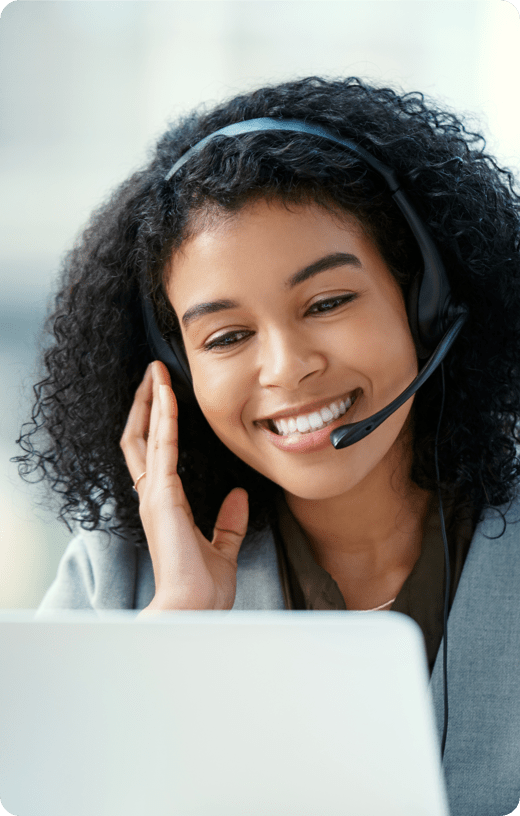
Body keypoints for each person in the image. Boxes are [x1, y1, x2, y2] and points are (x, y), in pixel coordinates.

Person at [13, 77, 520, 814]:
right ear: (179, 372)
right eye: (226, 337)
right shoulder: (119, 581)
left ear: (425, 300)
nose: (286, 368)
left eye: (328, 302)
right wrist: (177, 629)